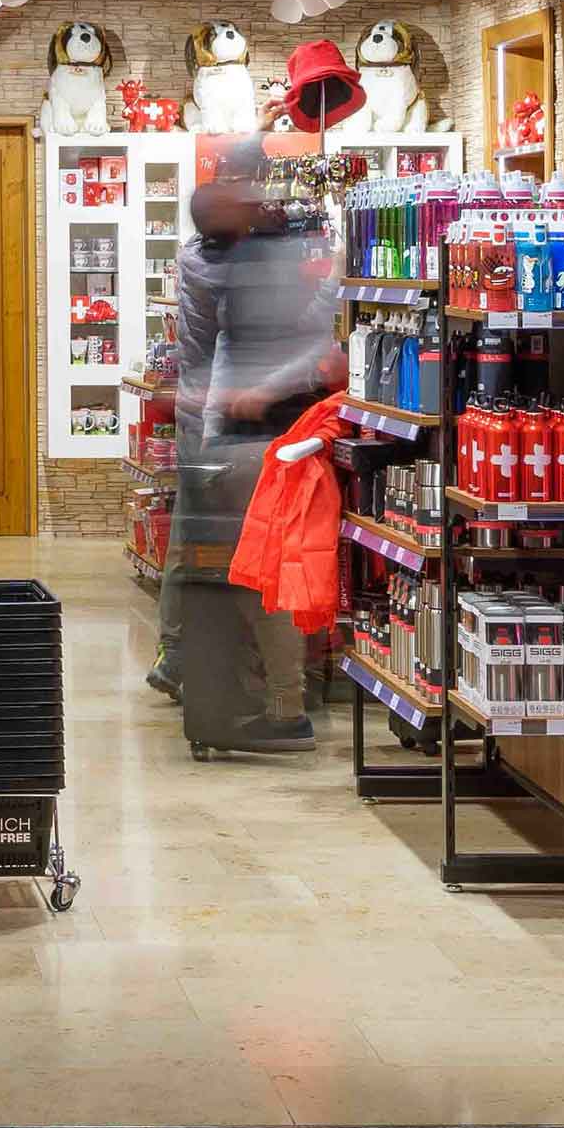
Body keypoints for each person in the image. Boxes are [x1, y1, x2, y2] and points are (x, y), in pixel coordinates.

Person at [150, 139, 344, 751]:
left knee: (246, 572)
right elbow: (314, 335)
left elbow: (295, 343)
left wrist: (246, 398)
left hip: (258, 441)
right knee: (246, 570)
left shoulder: (226, 262)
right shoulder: (261, 260)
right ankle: (260, 693)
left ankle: (270, 700)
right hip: (257, 438)